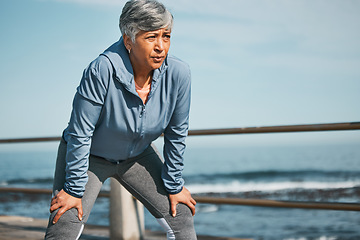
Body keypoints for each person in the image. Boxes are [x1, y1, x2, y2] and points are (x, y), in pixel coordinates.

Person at [44, 0, 197, 239]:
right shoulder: (101, 69)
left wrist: (174, 186)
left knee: (181, 216)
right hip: (90, 155)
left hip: (137, 156)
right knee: (65, 221)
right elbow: (80, 133)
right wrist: (74, 190)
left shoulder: (179, 73)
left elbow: (177, 133)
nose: (161, 46)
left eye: (166, 36)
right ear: (128, 40)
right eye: (150, 37)